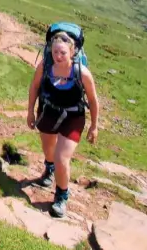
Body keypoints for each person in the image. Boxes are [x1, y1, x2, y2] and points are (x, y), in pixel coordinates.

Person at [27, 31, 99, 218]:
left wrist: (94, 126)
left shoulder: (82, 73)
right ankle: (49, 170)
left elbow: (92, 100)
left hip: (73, 117)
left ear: (73, 52)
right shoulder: (46, 65)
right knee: (49, 150)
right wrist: (29, 111)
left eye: (63, 53)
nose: (58, 57)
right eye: (55, 52)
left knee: (62, 158)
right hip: (49, 110)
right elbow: (34, 87)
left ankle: (61, 197)